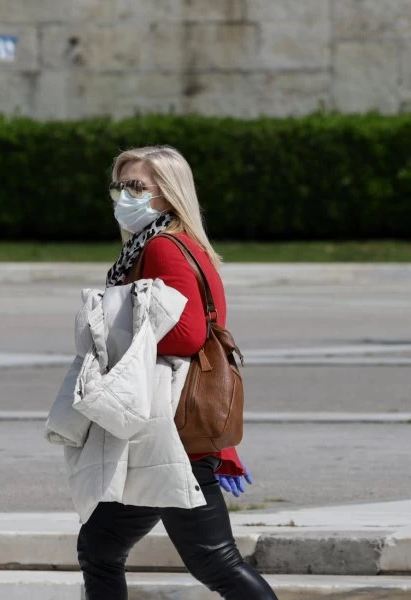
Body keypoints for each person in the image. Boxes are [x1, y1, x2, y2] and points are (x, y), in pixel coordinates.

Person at [80, 146, 276, 599]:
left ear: (167, 195)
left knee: (216, 562)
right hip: (160, 428)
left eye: (137, 187)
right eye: (120, 185)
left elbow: (187, 335)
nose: (124, 195)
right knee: (100, 545)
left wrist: (116, 332)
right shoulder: (161, 242)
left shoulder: (164, 246)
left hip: (174, 434)